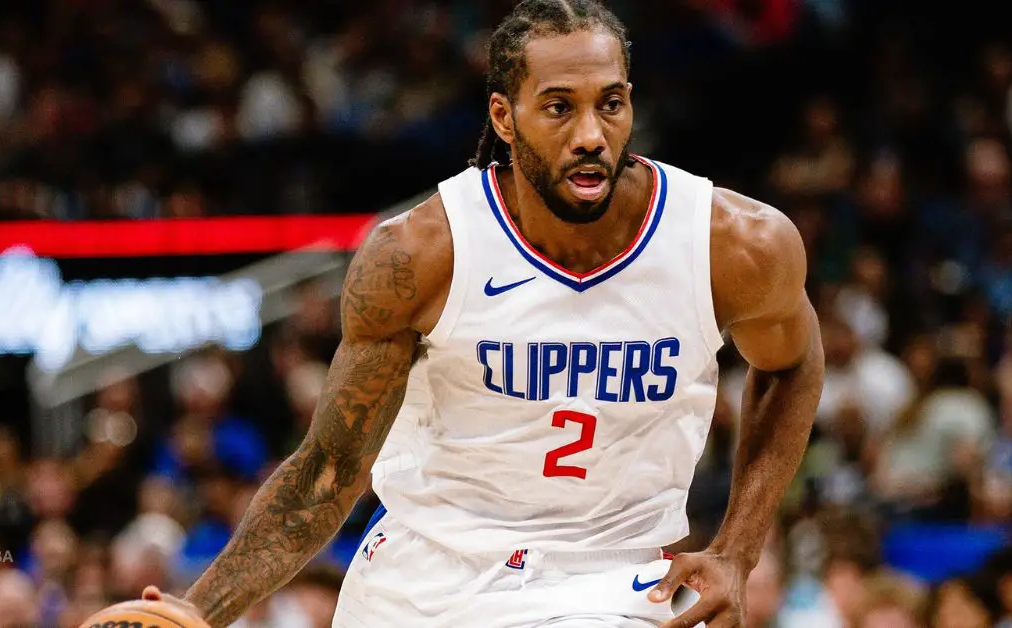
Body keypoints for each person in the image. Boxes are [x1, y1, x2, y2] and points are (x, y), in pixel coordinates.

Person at [144, 1, 825, 626]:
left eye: (610, 104)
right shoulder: (419, 255)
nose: (591, 133)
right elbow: (328, 471)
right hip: (419, 580)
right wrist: (194, 612)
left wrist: (739, 547)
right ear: (505, 117)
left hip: (604, 580)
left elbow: (793, 363)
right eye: (558, 107)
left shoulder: (732, 245)